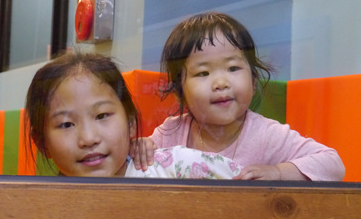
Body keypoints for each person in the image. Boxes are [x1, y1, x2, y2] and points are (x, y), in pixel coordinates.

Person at [130, 12, 345, 181]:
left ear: (253, 81)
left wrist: (279, 172)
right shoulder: (170, 133)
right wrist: (139, 148)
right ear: (180, 94)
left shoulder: (266, 135)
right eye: (203, 73)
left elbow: (332, 164)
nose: (221, 83)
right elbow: (134, 166)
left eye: (233, 68)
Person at [24, 50, 243, 179]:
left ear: (131, 123)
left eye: (102, 116)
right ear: (42, 143)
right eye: (66, 124)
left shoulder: (176, 168)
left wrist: (267, 175)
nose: (89, 139)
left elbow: (252, 187)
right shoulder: (41, 207)